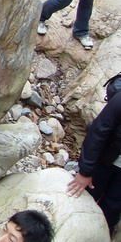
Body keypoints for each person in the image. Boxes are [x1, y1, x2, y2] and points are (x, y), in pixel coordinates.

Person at [66, 90, 121, 236]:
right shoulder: (119, 101)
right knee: (83, 197)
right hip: (104, 160)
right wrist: (85, 171)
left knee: (112, 209)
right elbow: (97, 133)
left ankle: (102, 235)